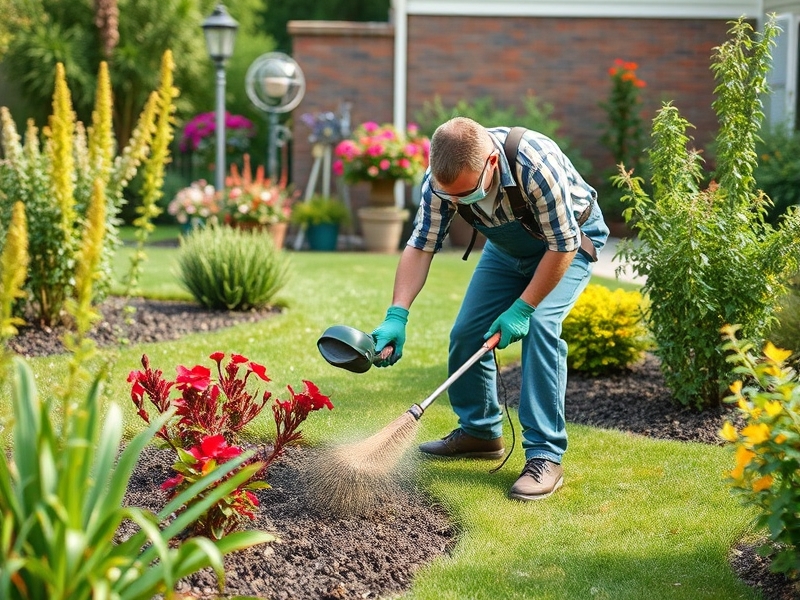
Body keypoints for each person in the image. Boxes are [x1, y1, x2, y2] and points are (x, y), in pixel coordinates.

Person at [370, 116, 609, 501]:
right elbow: (421, 244)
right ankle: (480, 432)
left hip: (570, 242)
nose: (457, 203)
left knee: (543, 327)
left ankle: (545, 456)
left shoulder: (534, 164)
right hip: (507, 246)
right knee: (467, 333)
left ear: (492, 165)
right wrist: (397, 313)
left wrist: (523, 308)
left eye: (465, 195)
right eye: (451, 197)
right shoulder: (439, 182)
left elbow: (562, 244)